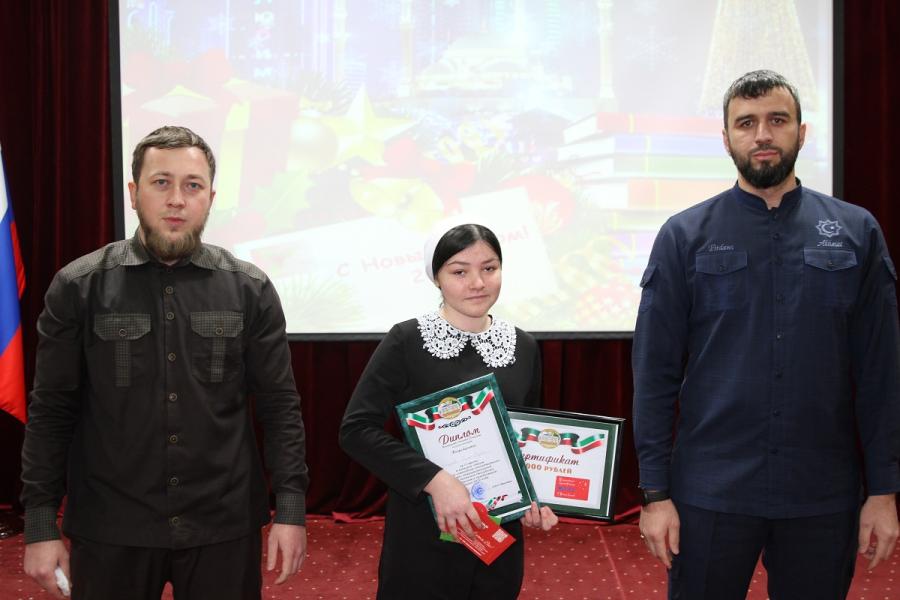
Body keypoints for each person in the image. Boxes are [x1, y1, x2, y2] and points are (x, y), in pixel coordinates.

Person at [632, 69, 900, 599]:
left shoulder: (857, 231)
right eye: (746, 123)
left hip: (821, 490)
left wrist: (884, 490)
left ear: (802, 132)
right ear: (726, 137)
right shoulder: (684, 236)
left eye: (777, 120)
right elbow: (654, 372)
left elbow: (881, 373)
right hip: (711, 489)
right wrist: (655, 494)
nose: (762, 135)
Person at [20, 126, 309, 599]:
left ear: (210, 198)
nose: (177, 199)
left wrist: (291, 511)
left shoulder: (250, 289)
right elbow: (51, 410)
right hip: (112, 524)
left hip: (223, 523)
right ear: (134, 193)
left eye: (192, 185)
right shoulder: (79, 287)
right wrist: (40, 524)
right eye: (161, 183)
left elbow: (280, 407)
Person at [340, 222, 558, 599]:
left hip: (498, 536)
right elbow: (356, 430)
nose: (478, 283)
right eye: (459, 271)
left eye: (489, 268)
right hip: (423, 530)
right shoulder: (407, 340)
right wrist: (436, 480)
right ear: (436, 278)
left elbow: (525, 438)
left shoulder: (523, 346)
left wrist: (538, 496)